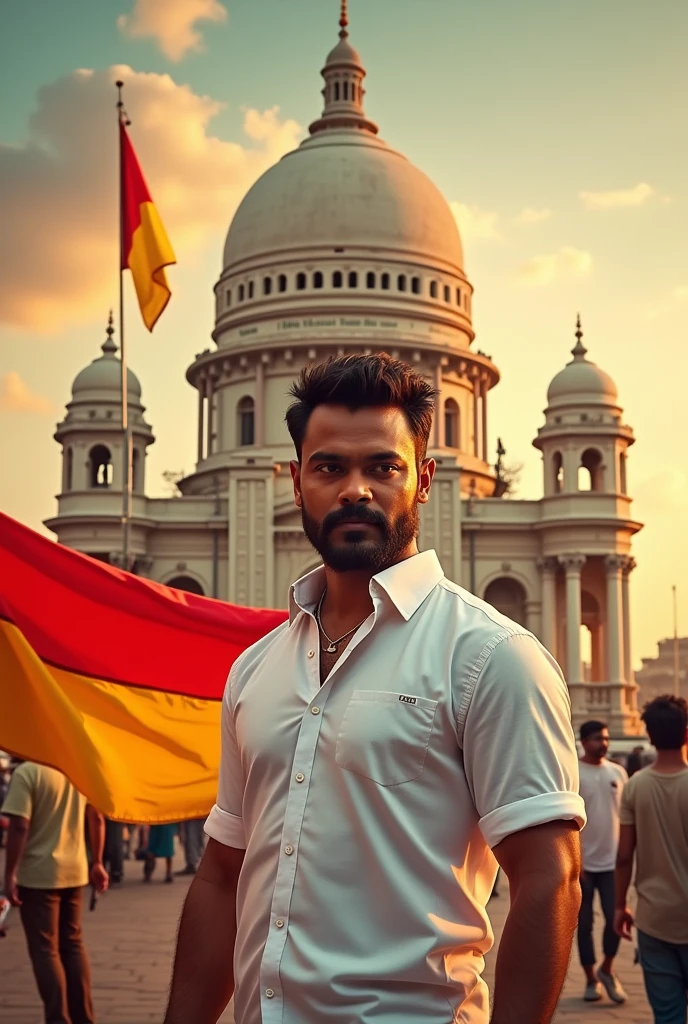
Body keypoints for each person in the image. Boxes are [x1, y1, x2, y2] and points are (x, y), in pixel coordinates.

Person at [164, 353, 586, 1024]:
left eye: (382, 467)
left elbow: (550, 877)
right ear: (296, 481)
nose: (354, 489)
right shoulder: (256, 669)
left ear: (423, 480)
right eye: (329, 466)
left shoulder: (489, 656)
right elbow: (220, 877)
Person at [1, 761, 108, 1024]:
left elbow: (19, 826)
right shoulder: (76, 769)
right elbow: (96, 817)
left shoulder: (27, 772)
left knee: (45, 949)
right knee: (72, 944)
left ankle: (58, 1018)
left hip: (38, 875)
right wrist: (97, 862)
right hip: (75, 870)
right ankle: (83, 1017)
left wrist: (9, 875)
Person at [615, 695, 688, 1023]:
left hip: (654, 918)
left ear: (650, 736)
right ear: (687, 733)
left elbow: (624, 855)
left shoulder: (635, 788)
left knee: (667, 1015)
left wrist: (619, 905)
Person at [576, 719, 628, 1004]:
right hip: (582, 866)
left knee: (616, 920)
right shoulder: (574, 773)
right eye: (597, 738)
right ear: (584, 742)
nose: (603, 743)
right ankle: (590, 979)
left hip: (613, 864)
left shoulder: (618, 773)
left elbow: (628, 819)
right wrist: (575, 859)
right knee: (583, 925)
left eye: (605, 738)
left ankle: (607, 968)